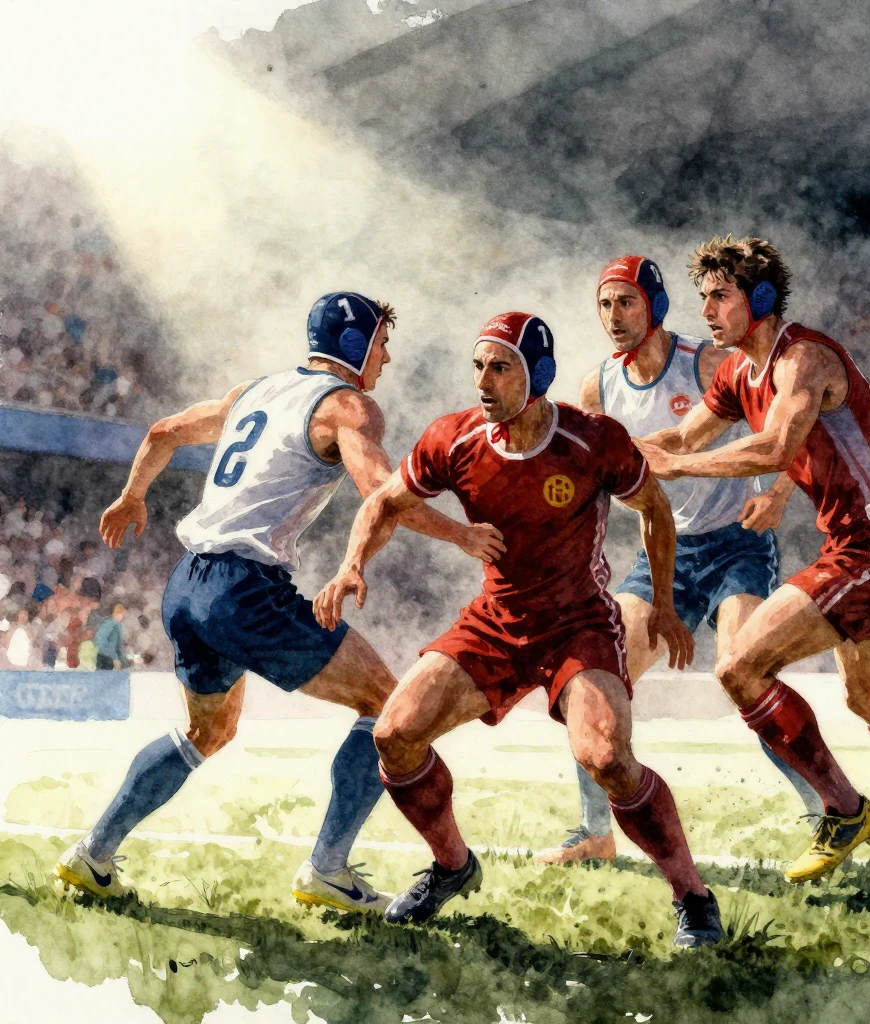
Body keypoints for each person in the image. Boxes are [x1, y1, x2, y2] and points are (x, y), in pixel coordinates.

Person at [54, 292, 502, 913]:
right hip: (244, 588)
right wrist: (462, 535)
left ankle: (93, 854)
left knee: (206, 732)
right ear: (354, 346)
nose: (387, 358)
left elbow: (163, 432)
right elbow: (381, 493)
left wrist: (133, 496)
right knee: (387, 708)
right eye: (381, 344)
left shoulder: (255, 391)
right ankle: (328, 870)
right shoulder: (348, 406)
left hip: (188, 582)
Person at [314, 311, 722, 948]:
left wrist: (664, 606)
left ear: (538, 374)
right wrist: (350, 565)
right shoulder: (454, 438)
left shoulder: (593, 439)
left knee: (606, 758)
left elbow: (655, 509)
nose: (483, 381)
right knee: (393, 735)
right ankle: (452, 866)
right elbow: (384, 501)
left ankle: (693, 897)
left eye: (500, 368)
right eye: (478, 366)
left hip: (578, 623)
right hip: (497, 620)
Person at [636, 236, 870, 879]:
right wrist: (608, 452)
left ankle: (843, 810)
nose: (707, 310)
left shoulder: (804, 358)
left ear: (760, 298)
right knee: (869, 699)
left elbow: (774, 447)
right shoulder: (736, 370)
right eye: (703, 297)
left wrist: (678, 466)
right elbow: (682, 436)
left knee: (739, 667)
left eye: (721, 296)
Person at [534, 255, 818, 867]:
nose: (614, 316)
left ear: (656, 306)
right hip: (664, 552)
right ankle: (596, 831)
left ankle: (824, 810)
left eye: (627, 302)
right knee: (592, 676)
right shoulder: (597, 387)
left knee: (745, 675)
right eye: (605, 304)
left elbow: (789, 432)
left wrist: (778, 492)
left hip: (737, 543)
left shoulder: (709, 362)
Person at [93, 602, 126, 670]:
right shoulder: (109, 623)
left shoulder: (117, 625)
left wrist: (119, 659)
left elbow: (118, 646)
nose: (122, 616)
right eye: (121, 613)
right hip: (105, 658)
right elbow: (100, 640)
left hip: (110, 659)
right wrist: (114, 658)